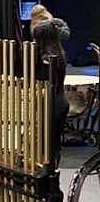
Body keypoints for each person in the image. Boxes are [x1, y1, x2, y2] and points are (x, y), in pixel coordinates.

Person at [33, 20, 69, 164]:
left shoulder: (47, 60)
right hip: (59, 103)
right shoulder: (57, 54)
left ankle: (50, 180)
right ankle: (52, 179)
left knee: (48, 148)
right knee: (53, 147)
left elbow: (42, 85)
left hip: (52, 106)